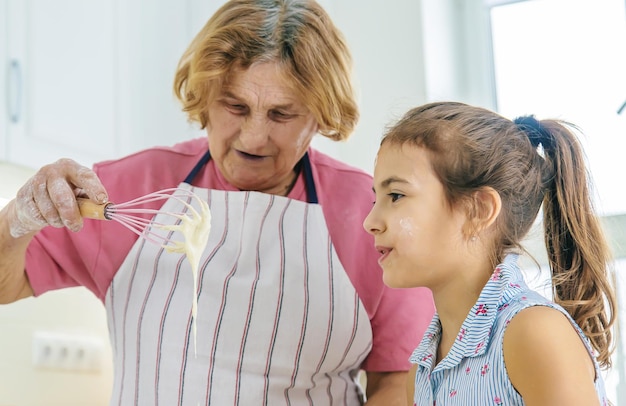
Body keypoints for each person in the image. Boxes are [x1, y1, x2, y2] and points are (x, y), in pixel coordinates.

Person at [0, 0, 435, 405]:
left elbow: (398, 376)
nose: (253, 137)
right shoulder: (127, 188)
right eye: (235, 106)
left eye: (282, 115)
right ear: (205, 97)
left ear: (321, 116)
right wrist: (19, 217)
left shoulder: (371, 212)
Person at [363, 101, 617, 405]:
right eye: (375, 198)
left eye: (396, 196)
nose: (370, 222)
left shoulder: (534, 335)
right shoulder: (421, 372)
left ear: (479, 210)